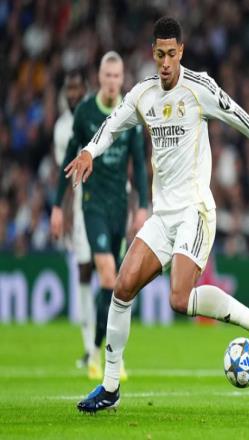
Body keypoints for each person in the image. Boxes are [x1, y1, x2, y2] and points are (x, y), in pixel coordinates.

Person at [68, 17, 249, 413]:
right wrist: (88, 152)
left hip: (194, 211)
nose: (165, 62)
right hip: (162, 217)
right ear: (153, 53)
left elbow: (234, 112)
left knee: (179, 299)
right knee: (121, 289)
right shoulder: (143, 94)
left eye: (172, 54)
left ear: (181, 51)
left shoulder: (199, 88)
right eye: (160, 54)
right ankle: (110, 388)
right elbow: (112, 125)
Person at [51, 51, 149, 381]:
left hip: (120, 206)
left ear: (122, 79)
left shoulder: (130, 113)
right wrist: (56, 206)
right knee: (108, 275)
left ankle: (100, 352)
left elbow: (138, 162)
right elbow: (70, 157)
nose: (111, 82)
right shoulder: (86, 112)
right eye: (107, 75)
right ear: (100, 77)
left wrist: (142, 206)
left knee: (117, 284)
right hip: (92, 203)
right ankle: (101, 354)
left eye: (116, 76)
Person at [51, 70, 94, 369]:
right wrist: (63, 210)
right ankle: (90, 347)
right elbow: (64, 173)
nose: (73, 94)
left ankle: (109, 343)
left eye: (77, 88)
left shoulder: (97, 115)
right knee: (84, 270)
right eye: (69, 89)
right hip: (80, 206)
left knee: (110, 273)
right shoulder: (61, 129)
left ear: (85, 90)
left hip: (107, 201)